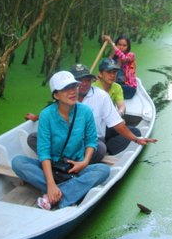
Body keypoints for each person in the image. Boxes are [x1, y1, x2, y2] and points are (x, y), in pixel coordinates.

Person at [12, 71, 110, 210]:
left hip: (74, 167)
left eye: (74, 87)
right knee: (18, 162)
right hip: (52, 167)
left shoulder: (86, 112)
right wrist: (51, 184)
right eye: (66, 89)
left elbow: (91, 141)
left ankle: (56, 196)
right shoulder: (46, 115)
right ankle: (65, 191)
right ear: (56, 95)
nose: (73, 92)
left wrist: (85, 162)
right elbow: (44, 151)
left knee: (103, 170)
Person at [26, 64, 157, 162]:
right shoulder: (68, 95)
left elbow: (116, 123)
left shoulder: (101, 96)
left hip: (91, 139)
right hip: (65, 139)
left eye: (88, 80)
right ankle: (63, 160)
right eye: (80, 80)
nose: (84, 84)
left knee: (101, 148)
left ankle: (72, 161)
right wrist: (35, 117)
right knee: (33, 138)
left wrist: (136, 139)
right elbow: (51, 111)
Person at [103, 35, 137, 99]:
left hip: (129, 89)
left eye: (124, 45)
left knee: (109, 88)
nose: (121, 47)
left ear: (128, 46)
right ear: (116, 45)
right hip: (117, 85)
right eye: (119, 44)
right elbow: (106, 64)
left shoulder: (131, 55)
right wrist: (113, 53)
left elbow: (123, 58)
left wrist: (110, 42)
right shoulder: (115, 57)